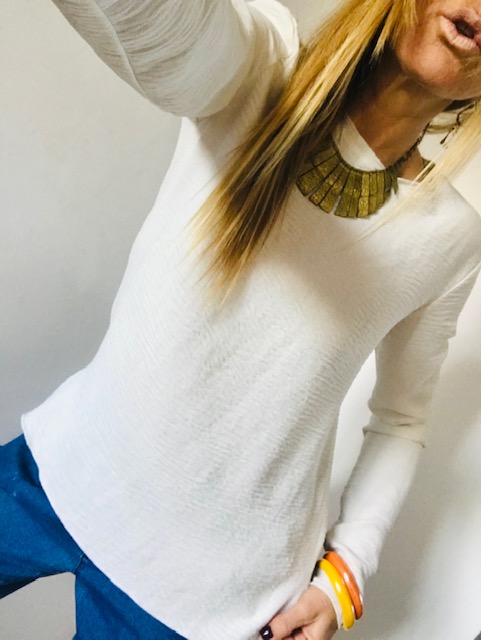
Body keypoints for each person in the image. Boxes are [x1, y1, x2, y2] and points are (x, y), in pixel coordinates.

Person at [1, 0, 481, 639]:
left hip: (207, 597)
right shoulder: (263, 63)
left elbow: (401, 417)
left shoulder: (453, 235)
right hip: (60, 470)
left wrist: (347, 572)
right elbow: (166, 32)